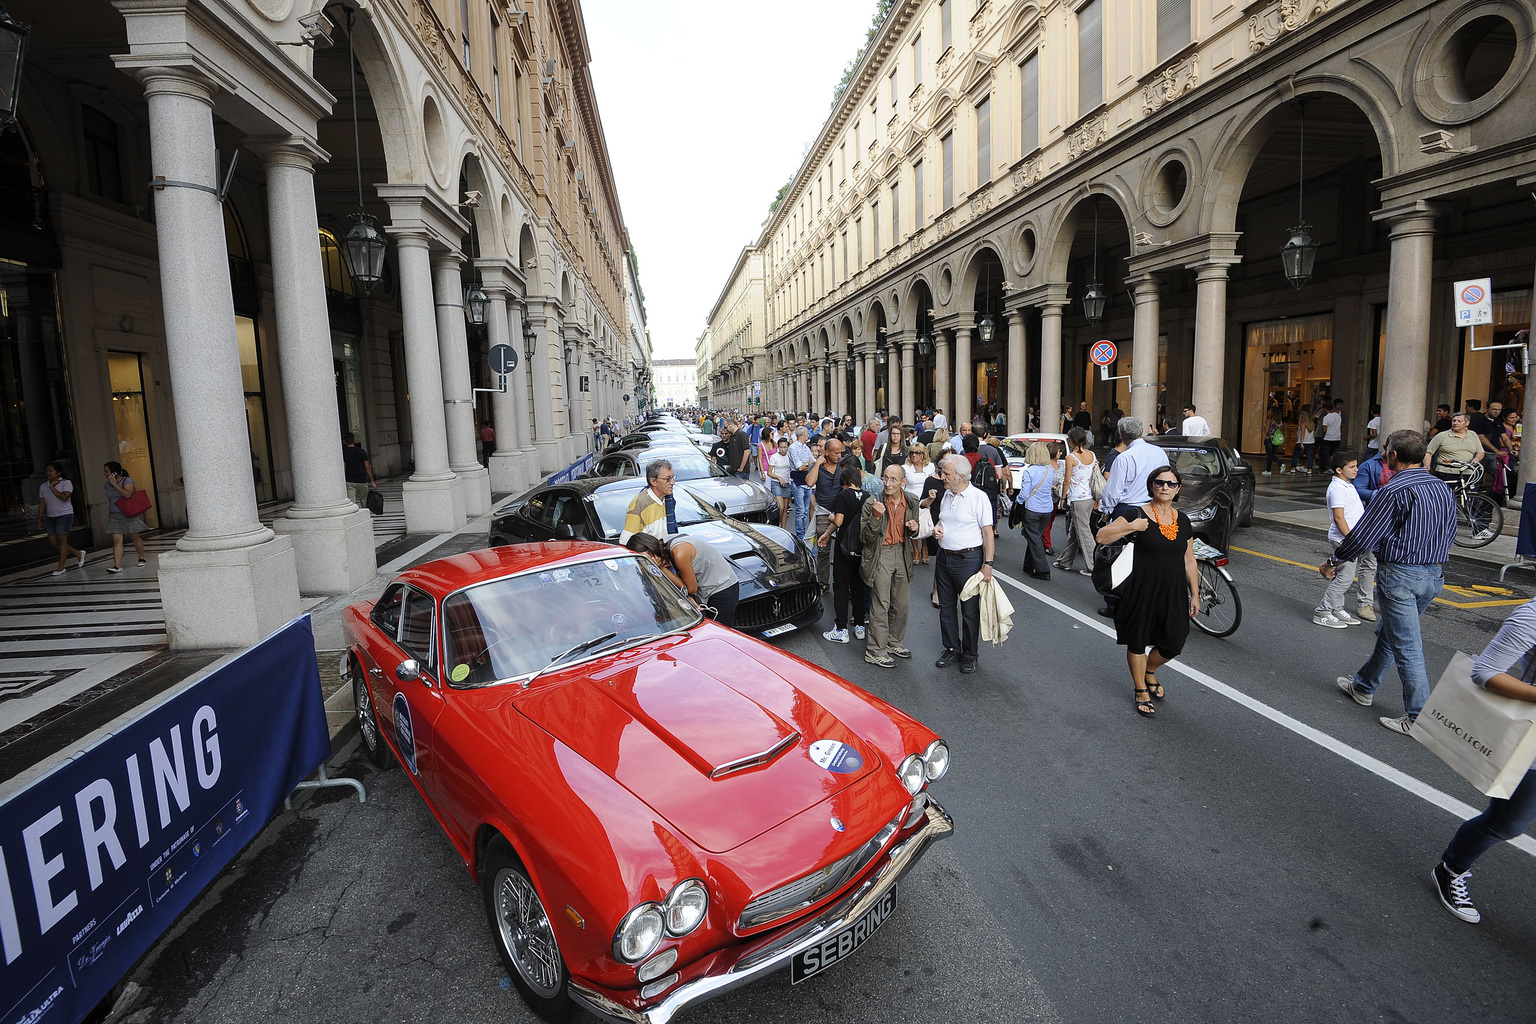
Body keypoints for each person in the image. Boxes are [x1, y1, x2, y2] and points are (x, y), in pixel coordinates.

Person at [1327, 430, 1457, 733]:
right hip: (1433, 573)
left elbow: (1363, 536)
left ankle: (1418, 716)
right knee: (1392, 633)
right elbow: (1451, 531)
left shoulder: (1393, 489)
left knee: (1407, 646)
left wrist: (1334, 561)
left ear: (1393, 455)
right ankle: (1364, 686)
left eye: (1386, 450)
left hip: (1401, 575)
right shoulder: (1441, 487)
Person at [1429, 597, 1536, 924]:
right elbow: (1486, 671)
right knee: (1506, 823)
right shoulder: (1533, 613)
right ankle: (1451, 868)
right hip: (1530, 745)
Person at [1095, 466, 1199, 718]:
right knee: (1138, 639)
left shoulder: (1182, 521)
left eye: (1171, 484)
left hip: (1173, 590)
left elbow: (1189, 560)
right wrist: (1132, 527)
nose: (1165, 487)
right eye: (1160, 482)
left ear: (1178, 489)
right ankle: (1140, 687)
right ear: (1151, 486)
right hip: (1141, 588)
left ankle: (1150, 670)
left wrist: (1195, 594)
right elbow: (1101, 536)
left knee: (1175, 639)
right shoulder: (1135, 513)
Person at [1094, 417, 1170, 617]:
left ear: (1120, 435)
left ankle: (1115, 604)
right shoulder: (1159, 453)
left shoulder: (1125, 458)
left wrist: (1106, 512)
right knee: (1148, 556)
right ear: (1142, 430)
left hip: (1128, 510)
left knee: (1119, 559)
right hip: (1154, 507)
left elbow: (1113, 492)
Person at [932, 453, 996, 674]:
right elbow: (944, 519)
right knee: (946, 608)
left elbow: (988, 533)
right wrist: (938, 528)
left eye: (947, 474)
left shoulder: (978, 497)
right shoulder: (947, 495)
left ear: (960, 476)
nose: (942, 477)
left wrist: (988, 564)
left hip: (968, 561)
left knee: (969, 611)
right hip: (944, 558)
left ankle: (970, 655)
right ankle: (951, 648)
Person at [860, 465, 919, 667]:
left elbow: (914, 531)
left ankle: (894, 642)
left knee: (902, 604)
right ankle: (875, 650)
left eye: (893, 479)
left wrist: (914, 528)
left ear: (903, 482)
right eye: (885, 478)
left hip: (902, 551)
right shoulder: (872, 502)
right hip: (880, 553)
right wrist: (876, 517)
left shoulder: (911, 501)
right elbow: (865, 537)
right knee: (881, 603)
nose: (888, 483)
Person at [624, 531, 740, 628]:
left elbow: (691, 589)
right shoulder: (664, 546)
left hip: (722, 586)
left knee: (721, 629)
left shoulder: (678, 553)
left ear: (651, 552)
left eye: (643, 560)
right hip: (704, 586)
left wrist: (661, 568)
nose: (643, 565)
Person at [1314, 454, 1374, 629]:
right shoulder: (1338, 488)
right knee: (1345, 579)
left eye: (1356, 466)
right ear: (1339, 470)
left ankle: (1337, 608)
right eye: (1352, 466)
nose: (1356, 469)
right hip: (1344, 539)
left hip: (1349, 538)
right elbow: (1339, 517)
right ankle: (1323, 612)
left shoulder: (1346, 485)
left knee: (1341, 576)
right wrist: (1351, 539)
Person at [820, 467, 868, 644]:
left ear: (845, 482)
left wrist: (831, 517)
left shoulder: (843, 495)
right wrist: (827, 533)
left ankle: (841, 628)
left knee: (840, 587)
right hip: (861, 548)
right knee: (858, 587)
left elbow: (839, 521)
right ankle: (860, 625)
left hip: (844, 548)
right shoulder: (868, 496)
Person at [1054, 427, 1097, 576]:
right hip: (1089, 497)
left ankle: (1093, 566)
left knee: (1083, 532)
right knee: (1075, 530)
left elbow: (1067, 480)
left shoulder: (1070, 457)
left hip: (1077, 498)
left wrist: (1063, 498)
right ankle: (1065, 561)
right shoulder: (1092, 454)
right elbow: (1093, 476)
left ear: (1071, 440)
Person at [1014, 441, 1055, 580]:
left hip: (1032, 508)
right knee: (1035, 536)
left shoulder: (1029, 471)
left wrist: (1017, 502)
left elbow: (1025, 493)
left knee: (1034, 538)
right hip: (1047, 508)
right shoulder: (1050, 470)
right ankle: (1028, 564)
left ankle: (1042, 569)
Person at [38, 462, 85, 576]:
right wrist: (39, 519)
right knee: (53, 542)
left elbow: (64, 497)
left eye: (51, 471)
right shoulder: (43, 486)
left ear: (58, 472)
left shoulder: (66, 483)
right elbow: (42, 503)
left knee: (62, 541)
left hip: (64, 515)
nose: (48, 473)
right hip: (51, 517)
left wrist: (53, 488)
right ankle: (78, 553)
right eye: (47, 471)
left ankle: (61, 567)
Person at [103, 461, 148, 573]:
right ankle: (117, 565)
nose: (105, 473)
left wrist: (115, 484)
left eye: (106, 471)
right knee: (117, 539)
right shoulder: (107, 484)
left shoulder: (127, 481)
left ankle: (142, 556)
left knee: (134, 536)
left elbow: (127, 495)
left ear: (114, 472)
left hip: (127, 513)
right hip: (114, 515)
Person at [619, 460, 677, 543]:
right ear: (653, 481)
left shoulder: (668, 500)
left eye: (673, 478)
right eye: (667, 479)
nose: (673, 483)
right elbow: (626, 542)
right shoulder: (640, 504)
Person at [903, 447, 936, 565]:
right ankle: (916, 550)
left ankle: (924, 548)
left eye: (917, 453)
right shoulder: (906, 468)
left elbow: (933, 481)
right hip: (911, 499)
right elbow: (903, 485)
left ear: (923, 454)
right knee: (913, 524)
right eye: (912, 452)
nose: (914, 455)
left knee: (925, 524)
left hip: (926, 499)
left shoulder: (930, 466)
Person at [789, 426, 815, 540]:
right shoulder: (793, 448)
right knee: (800, 510)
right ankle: (800, 535)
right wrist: (807, 465)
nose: (808, 435)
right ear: (803, 434)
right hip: (797, 481)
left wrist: (807, 465)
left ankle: (804, 533)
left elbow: (813, 462)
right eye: (807, 433)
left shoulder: (806, 447)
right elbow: (799, 467)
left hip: (807, 481)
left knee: (806, 509)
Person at [342, 431, 375, 509]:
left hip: (349, 481)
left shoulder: (343, 452)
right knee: (364, 501)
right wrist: (372, 481)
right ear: (354, 440)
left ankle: (353, 518)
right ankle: (365, 516)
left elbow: (344, 467)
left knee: (351, 502)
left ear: (344, 442)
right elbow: (367, 467)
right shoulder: (361, 451)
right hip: (361, 480)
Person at [767, 435, 794, 526]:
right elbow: (769, 472)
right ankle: (776, 525)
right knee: (781, 507)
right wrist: (779, 477)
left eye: (785, 447)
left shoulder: (790, 456)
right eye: (781, 447)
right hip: (776, 483)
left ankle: (783, 528)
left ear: (788, 447)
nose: (783, 449)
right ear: (778, 447)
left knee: (785, 509)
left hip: (787, 483)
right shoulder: (774, 457)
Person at [1289, 405, 1316, 474]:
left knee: (1295, 455)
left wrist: (1301, 442)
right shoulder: (1312, 423)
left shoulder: (1302, 423)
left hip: (1303, 441)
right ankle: (1309, 469)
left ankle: (1293, 468)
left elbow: (1303, 433)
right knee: (1309, 456)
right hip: (1311, 441)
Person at [1318, 400, 1344, 467]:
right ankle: (1333, 467)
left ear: (1325, 408)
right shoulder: (1338, 416)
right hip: (1337, 437)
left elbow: (1324, 429)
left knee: (1323, 453)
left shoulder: (1326, 417)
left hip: (1328, 438)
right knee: (1334, 454)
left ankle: (1323, 467)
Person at [1261, 409, 1284, 475]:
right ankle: (1268, 470)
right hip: (1276, 440)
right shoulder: (1279, 421)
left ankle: (1280, 464)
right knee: (1271, 455)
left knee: (1269, 455)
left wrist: (1263, 428)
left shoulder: (1269, 420)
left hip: (1269, 440)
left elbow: (1267, 432)